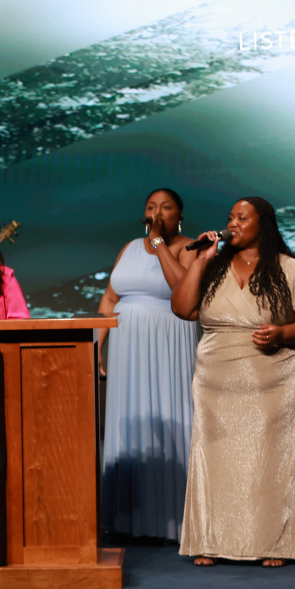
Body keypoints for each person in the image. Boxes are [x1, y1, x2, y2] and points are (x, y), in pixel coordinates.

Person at [171, 197, 295, 568]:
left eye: (242, 218)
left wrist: (283, 332)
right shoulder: (213, 267)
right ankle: (211, 539)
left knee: (269, 461)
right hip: (216, 381)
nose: (232, 223)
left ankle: (275, 542)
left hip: (274, 379)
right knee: (216, 460)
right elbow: (182, 308)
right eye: (230, 218)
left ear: (262, 224)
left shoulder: (290, 268)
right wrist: (200, 260)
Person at [97, 189, 197, 541]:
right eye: (151, 207)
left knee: (170, 418)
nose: (158, 212)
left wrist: (158, 244)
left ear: (179, 215)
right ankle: (127, 521)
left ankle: (174, 520)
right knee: (129, 421)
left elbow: (183, 288)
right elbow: (110, 298)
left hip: (169, 344)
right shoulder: (128, 248)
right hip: (127, 348)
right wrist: (96, 345)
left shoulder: (189, 247)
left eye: (166, 207)